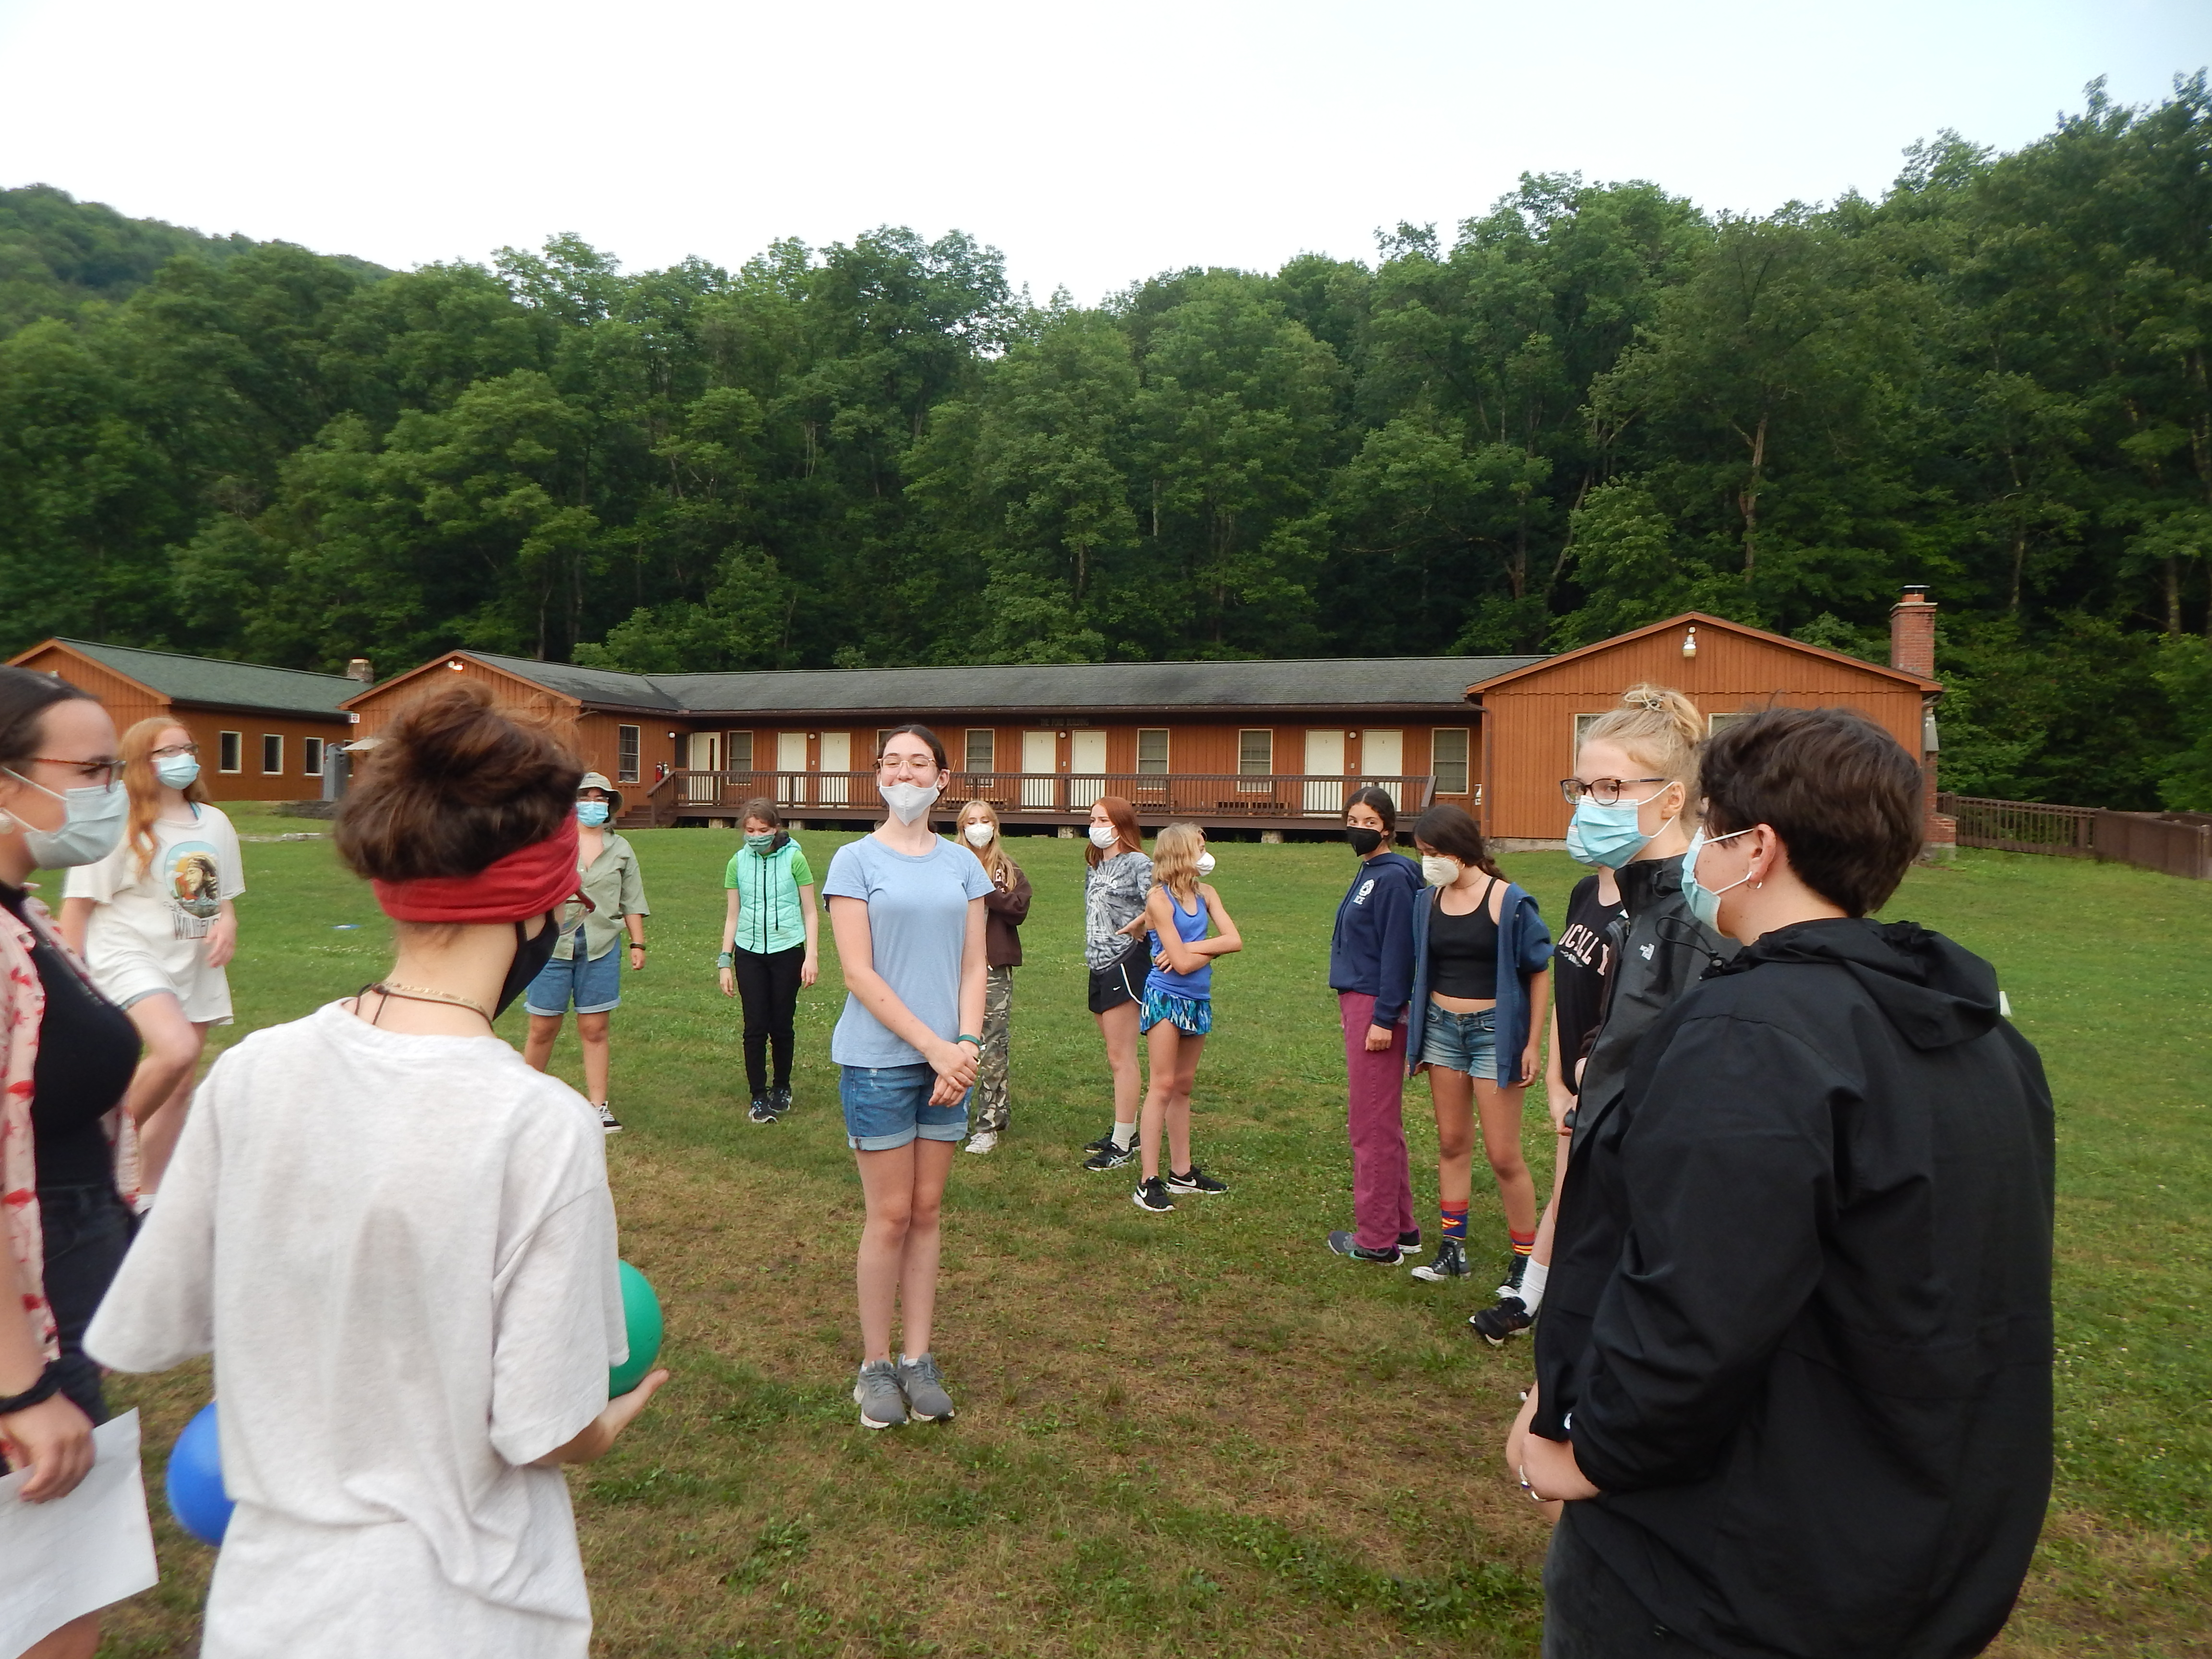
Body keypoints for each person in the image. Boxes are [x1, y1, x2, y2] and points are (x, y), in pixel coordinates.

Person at [85, 682, 666, 1658]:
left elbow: (155, 1322)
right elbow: (544, 1425)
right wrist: (605, 1424)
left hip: (266, 1609)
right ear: (546, 901)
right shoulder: (540, 1123)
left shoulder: (253, 1072)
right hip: (465, 1616)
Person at [1514, 705, 2054, 1659]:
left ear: (1756, 848)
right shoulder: (1984, 1040)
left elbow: (1696, 1302)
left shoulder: (1749, 1038)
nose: (1697, 854)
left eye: (1712, 828)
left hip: (1723, 1580)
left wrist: (1586, 1448)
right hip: (1909, 1549)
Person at [1467, 683, 1720, 1344]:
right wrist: (1566, 1080)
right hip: (1593, 1130)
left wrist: (1599, 1082)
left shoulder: (1698, 918)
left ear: (1672, 799)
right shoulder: (1623, 900)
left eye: (1610, 789)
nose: (1589, 805)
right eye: (1581, 789)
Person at [0, 668, 146, 1659]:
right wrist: (21, 1388)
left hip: (64, 1289)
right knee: (48, 1618)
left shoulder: (25, 915)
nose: (113, 793)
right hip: (25, 1331)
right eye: (92, 772)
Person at [822, 726, 990, 1430]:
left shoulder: (964, 866)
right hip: (879, 1064)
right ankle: (874, 1367)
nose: (904, 773)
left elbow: (974, 966)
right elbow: (859, 973)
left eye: (919, 763)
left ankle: (918, 1360)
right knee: (889, 1216)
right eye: (891, 762)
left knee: (926, 1214)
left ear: (942, 780)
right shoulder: (853, 861)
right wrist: (935, 1049)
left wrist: (966, 1046)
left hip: (949, 1065)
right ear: (878, 777)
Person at [58, 716, 243, 1197]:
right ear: (142, 761)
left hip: (195, 961)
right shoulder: (118, 822)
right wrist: (71, 984)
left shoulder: (214, 822)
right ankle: (95, 1144)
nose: (184, 759)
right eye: (168, 752)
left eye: (188, 749)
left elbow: (222, 897)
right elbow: (77, 908)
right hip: (129, 954)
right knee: (175, 1049)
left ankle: (147, 1195)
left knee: (180, 1082)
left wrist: (226, 923)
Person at [1402, 804, 1550, 1287]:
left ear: (1460, 849)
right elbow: (1423, 969)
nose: (1428, 862)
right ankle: (1452, 1250)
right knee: (1452, 1143)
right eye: (1422, 853)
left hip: (1494, 1034)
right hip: (1443, 1031)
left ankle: (1525, 1262)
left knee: (1504, 1155)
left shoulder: (1509, 901)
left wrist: (1532, 1044)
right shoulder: (1427, 901)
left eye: (1434, 852)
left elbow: (1539, 972)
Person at [1323, 786, 1425, 1263]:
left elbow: (1399, 952)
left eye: (1369, 822)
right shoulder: (1371, 870)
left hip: (1376, 1008)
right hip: (1360, 1001)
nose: (1359, 829)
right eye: (1352, 820)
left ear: (1388, 827)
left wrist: (1384, 1018)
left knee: (1370, 1125)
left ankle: (1377, 1240)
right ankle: (1402, 1228)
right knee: (1380, 1120)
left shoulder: (1394, 877)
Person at [521, 771, 649, 1133]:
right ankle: (524, 1105)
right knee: (542, 1027)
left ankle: (598, 1108)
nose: (593, 804)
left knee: (595, 1028)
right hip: (552, 947)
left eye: (600, 798)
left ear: (609, 805)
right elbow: (531, 892)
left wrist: (638, 943)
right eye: (585, 797)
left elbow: (632, 900)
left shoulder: (621, 848)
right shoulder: (552, 843)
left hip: (601, 946)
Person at [1129, 824, 1241, 1214]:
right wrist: (1207, 950)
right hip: (1165, 998)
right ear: (1180, 854)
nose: (1206, 855)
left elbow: (1235, 940)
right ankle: (1148, 1181)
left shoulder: (1208, 894)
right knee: (1162, 1085)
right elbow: (1177, 964)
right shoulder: (1158, 899)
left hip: (1198, 999)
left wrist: (1194, 947)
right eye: (1199, 847)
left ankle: (1182, 1172)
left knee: (1183, 1086)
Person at [717, 798, 818, 1125]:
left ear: (776, 829)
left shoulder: (795, 859)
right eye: (750, 831)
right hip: (749, 954)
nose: (756, 836)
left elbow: (810, 911)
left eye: (763, 830)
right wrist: (725, 960)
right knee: (755, 1026)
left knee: (782, 1025)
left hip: (788, 950)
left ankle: (782, 1087)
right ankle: (758, 1096)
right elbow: (733, 915)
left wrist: (812, 956)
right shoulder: (737, 863)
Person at [1078, 795, 1153, 1173]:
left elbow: (1162, 902)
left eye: (1103, 820)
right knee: (1113, 1054)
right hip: (1098, 963)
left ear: (1121, 825)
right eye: (1093, 819)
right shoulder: (1094, 865)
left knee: (1122, 1056)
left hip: (1126, 962)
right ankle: (1127, 1129)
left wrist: (1141, 924)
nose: (1096, 827)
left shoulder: (1139, 863)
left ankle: (1123, 1144)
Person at [954, 798, 1029, 1154]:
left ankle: (989, 1123)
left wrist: (985, 889)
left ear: (995, 826)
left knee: (993, 1046)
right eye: (971, 822)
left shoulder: (1007, 870)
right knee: (953, 1041)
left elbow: (1018, 909)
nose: (978, 828)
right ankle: (951, 1114)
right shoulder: (948, 864)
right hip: (951, 967)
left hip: (992, 969)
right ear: (961, 828)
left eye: (985, 821)